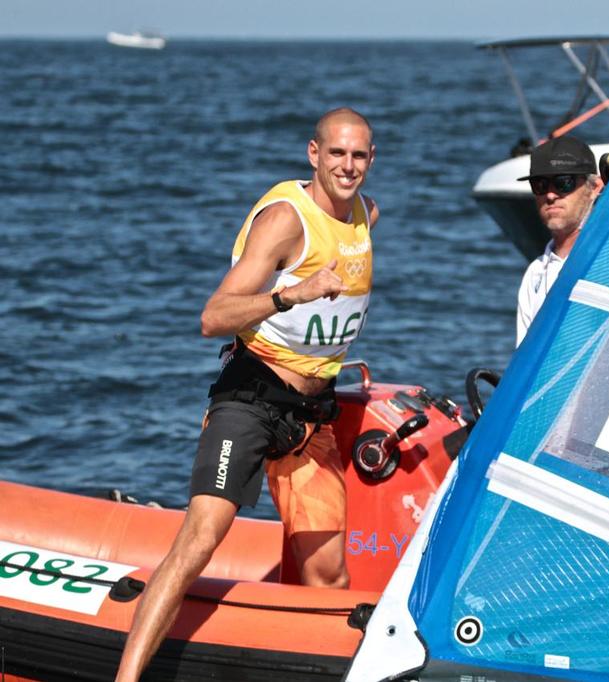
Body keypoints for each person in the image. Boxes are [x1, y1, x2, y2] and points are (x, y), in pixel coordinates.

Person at [116, 107, 378, 680]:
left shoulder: (365, 215)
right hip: (251, 399)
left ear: (371, 159)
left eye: (358, 155)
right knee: (200, 541)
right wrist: (292, 295)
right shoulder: (286, 220)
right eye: (337, 154)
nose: (347, 166)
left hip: (312, 416)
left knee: (329, 574)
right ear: (315, 154)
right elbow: (213, 317)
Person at [515, 135, 603, 346]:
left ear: (595, 188)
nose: (551, 195)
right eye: (540, 185)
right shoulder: (534, 274)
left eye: (564, 183)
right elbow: (523, 357)